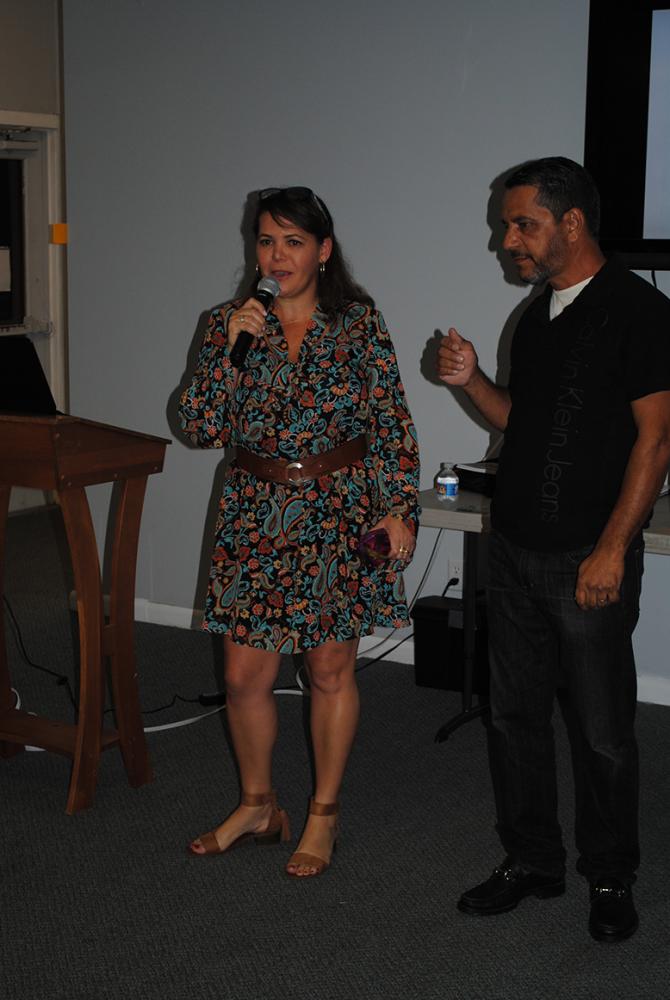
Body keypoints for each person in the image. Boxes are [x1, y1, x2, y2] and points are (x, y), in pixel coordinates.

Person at [438, 157, 670, 941]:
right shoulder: (535, 317)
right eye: (508, 226)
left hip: (586, 557)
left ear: (572, 223)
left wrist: (612, 550)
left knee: (601, 730)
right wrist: (472, 379)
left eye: (523, 225)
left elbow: (656, 439)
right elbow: (521, 419)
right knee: (514, 718)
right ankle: (533, 859)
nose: (508, 241)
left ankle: (610, 873)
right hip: (513, 548)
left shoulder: (640, 312)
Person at [179, 186, 419, 877]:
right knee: (242, 676)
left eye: (293, 241)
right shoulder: (228, 324)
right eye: (266, 241)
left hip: (337, 511)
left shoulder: (357, 324)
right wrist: (228, 351)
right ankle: (259, 805)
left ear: (323, 250)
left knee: (328, 669)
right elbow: (199, 427)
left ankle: (323, 813)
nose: (277, 256)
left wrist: (399, 506)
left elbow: (391, 422)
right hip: (253, 512)